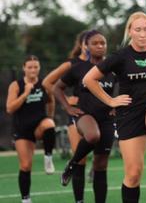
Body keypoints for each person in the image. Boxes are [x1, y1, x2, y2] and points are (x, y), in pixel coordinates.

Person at [83, 11, 146, 203]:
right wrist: (110, 101)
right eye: (138, 29)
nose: (143, 34)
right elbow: (89, 79)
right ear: (130, 31)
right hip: (129, 115)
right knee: (134, 174)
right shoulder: (120, 56)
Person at [53, 30, 115, 203]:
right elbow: (56, 88)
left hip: (107, 118)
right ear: (86, 46)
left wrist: (116, 106)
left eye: (103, 43)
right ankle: (72, 164)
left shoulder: (113, 68)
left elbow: (124, 89)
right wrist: (67, 107)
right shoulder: (78, 68)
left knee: (101, 165)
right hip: (84, 114)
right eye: (95, 43)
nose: (100, 46)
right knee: (93, 135)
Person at [42, 30, 90, 202]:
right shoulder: (73, 64)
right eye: (88, 42)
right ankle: (79, 200)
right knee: (80, 159)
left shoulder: (103, 63)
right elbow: (48, 82)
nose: (93, 46)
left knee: (101, 158)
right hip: (78, 114)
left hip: (100, 114)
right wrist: (68, 101)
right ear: (83, 45)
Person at [6, 55, 56, 203]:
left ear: (39, 68)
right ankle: (26, 199)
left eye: (36, 67)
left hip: (39, 125)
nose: (33, 70)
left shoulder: (44, 84)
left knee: (50, 124)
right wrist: (26, 93)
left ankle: (48, 158)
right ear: (24, 68)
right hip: (22, 129)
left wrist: (50, 117)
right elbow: (10, 108)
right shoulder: (16, 85)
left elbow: (51, 101)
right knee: (26, 165)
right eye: (30, 67)